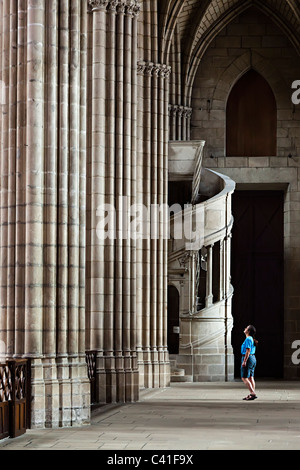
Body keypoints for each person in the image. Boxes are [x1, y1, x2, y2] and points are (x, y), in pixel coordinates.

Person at [241, 325, 258, 401]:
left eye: (246, 328)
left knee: (244, 377)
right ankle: (252, 394)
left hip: (248, 358)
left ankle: (252, 393)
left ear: (249, 331)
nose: (245, 329)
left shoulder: (248, 339)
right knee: (251, 377)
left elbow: (248, 350)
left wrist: (244, 361)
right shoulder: (251, 339)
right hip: (253, 358)